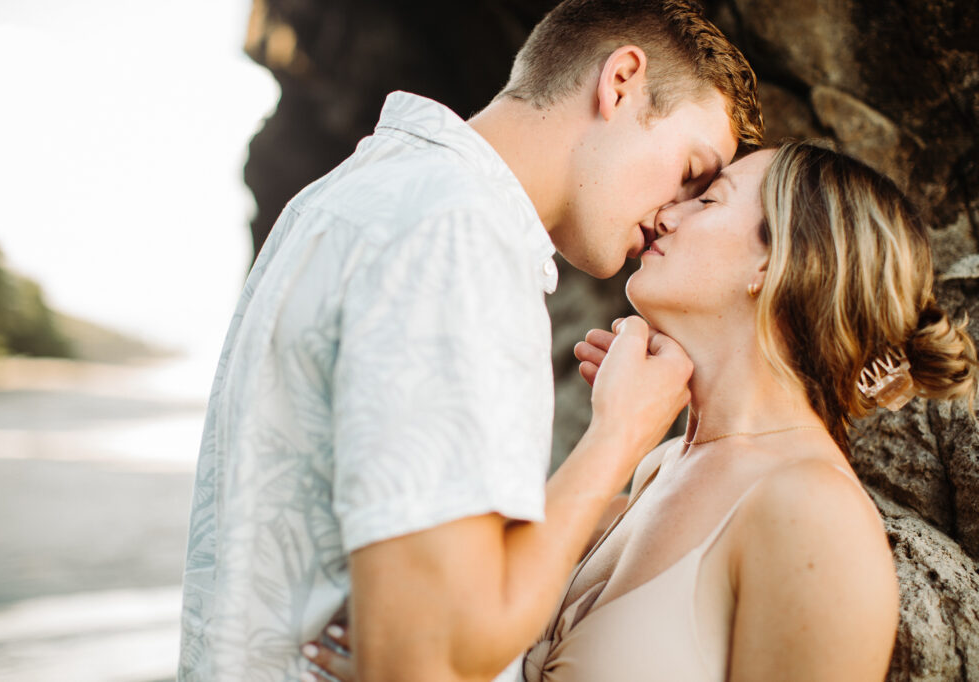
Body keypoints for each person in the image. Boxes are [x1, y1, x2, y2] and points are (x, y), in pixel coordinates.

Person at [177, 1, 763, 681]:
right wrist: (619, 436)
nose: (671, 216)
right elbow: (433, 655)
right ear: (622, 81)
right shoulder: (456, 238)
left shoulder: (374, 194)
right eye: (690, 171)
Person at [302, 143, 977, 681]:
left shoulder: (813, 517)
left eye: (708, 199)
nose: (665, 215)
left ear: (778, 264)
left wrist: (617, 431)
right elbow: (469, 613)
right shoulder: (660, 465)